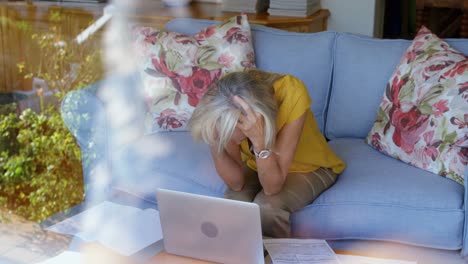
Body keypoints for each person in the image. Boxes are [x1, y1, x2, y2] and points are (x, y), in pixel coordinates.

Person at [189, 69, 345, 238]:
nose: (230, 141)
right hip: (256, 165)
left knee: (266, 210)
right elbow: (236, 184)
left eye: (228, 135)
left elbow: (272, 188)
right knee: (235, 204)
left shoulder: (292, 92)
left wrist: (259, 143)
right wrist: (215, 141)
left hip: (309, 167)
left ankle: (271, 258)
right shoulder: (228, 98)